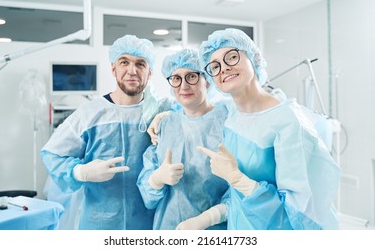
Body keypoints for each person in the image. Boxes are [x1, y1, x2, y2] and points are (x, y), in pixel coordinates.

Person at [197, 28, 340, 230]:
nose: (223, 68)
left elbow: (297, 215)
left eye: (232, 57)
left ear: (253, 58)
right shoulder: (234, 117)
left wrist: (237, 179)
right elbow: (238, 197)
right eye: (215, 66)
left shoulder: (288, 121)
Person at [41, 34, 174, 230]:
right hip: (99, 223)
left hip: (149, 222)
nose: (132, 70)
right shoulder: (90, 113)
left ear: (150, 72)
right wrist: (81, 171)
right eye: (124, 62)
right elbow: (52, 153)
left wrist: (166, 116)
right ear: (113, 68)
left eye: (140, 64)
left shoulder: (160, 110)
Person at [137, 48, 229, 230]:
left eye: (191, 76)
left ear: (207, 81)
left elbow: (243, 191)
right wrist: (156, 180)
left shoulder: (228, 121)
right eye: (176, 78)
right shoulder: (165, 124)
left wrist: (210, 218)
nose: (183, 86)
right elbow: (148, 195)